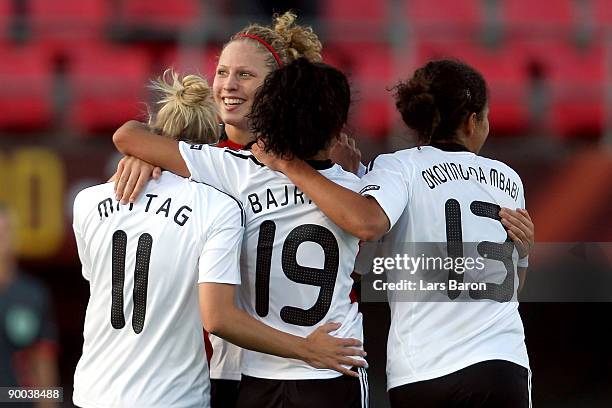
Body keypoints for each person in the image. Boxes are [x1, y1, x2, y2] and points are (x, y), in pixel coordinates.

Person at [73, 69, 365, 408]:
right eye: (223, 72)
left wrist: (142, 152)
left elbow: (126, 135)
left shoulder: (89, 201)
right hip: (206, 389)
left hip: (96, 391)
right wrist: (349, 173)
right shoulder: (219, 206)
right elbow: (218, 317)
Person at [250, 59, 535, 407]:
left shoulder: (397, 168)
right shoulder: (508, 180)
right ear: (473, 120)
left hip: (422, 371)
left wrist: (322, 172)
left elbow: (363, 254)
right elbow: (509, 291)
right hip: (501, 365)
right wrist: (524, 252)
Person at [0, 204, 60, 408]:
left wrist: (48, 402)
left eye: (5, 231)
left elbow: (43, 360)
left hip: (17, 399)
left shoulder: (32, 294)